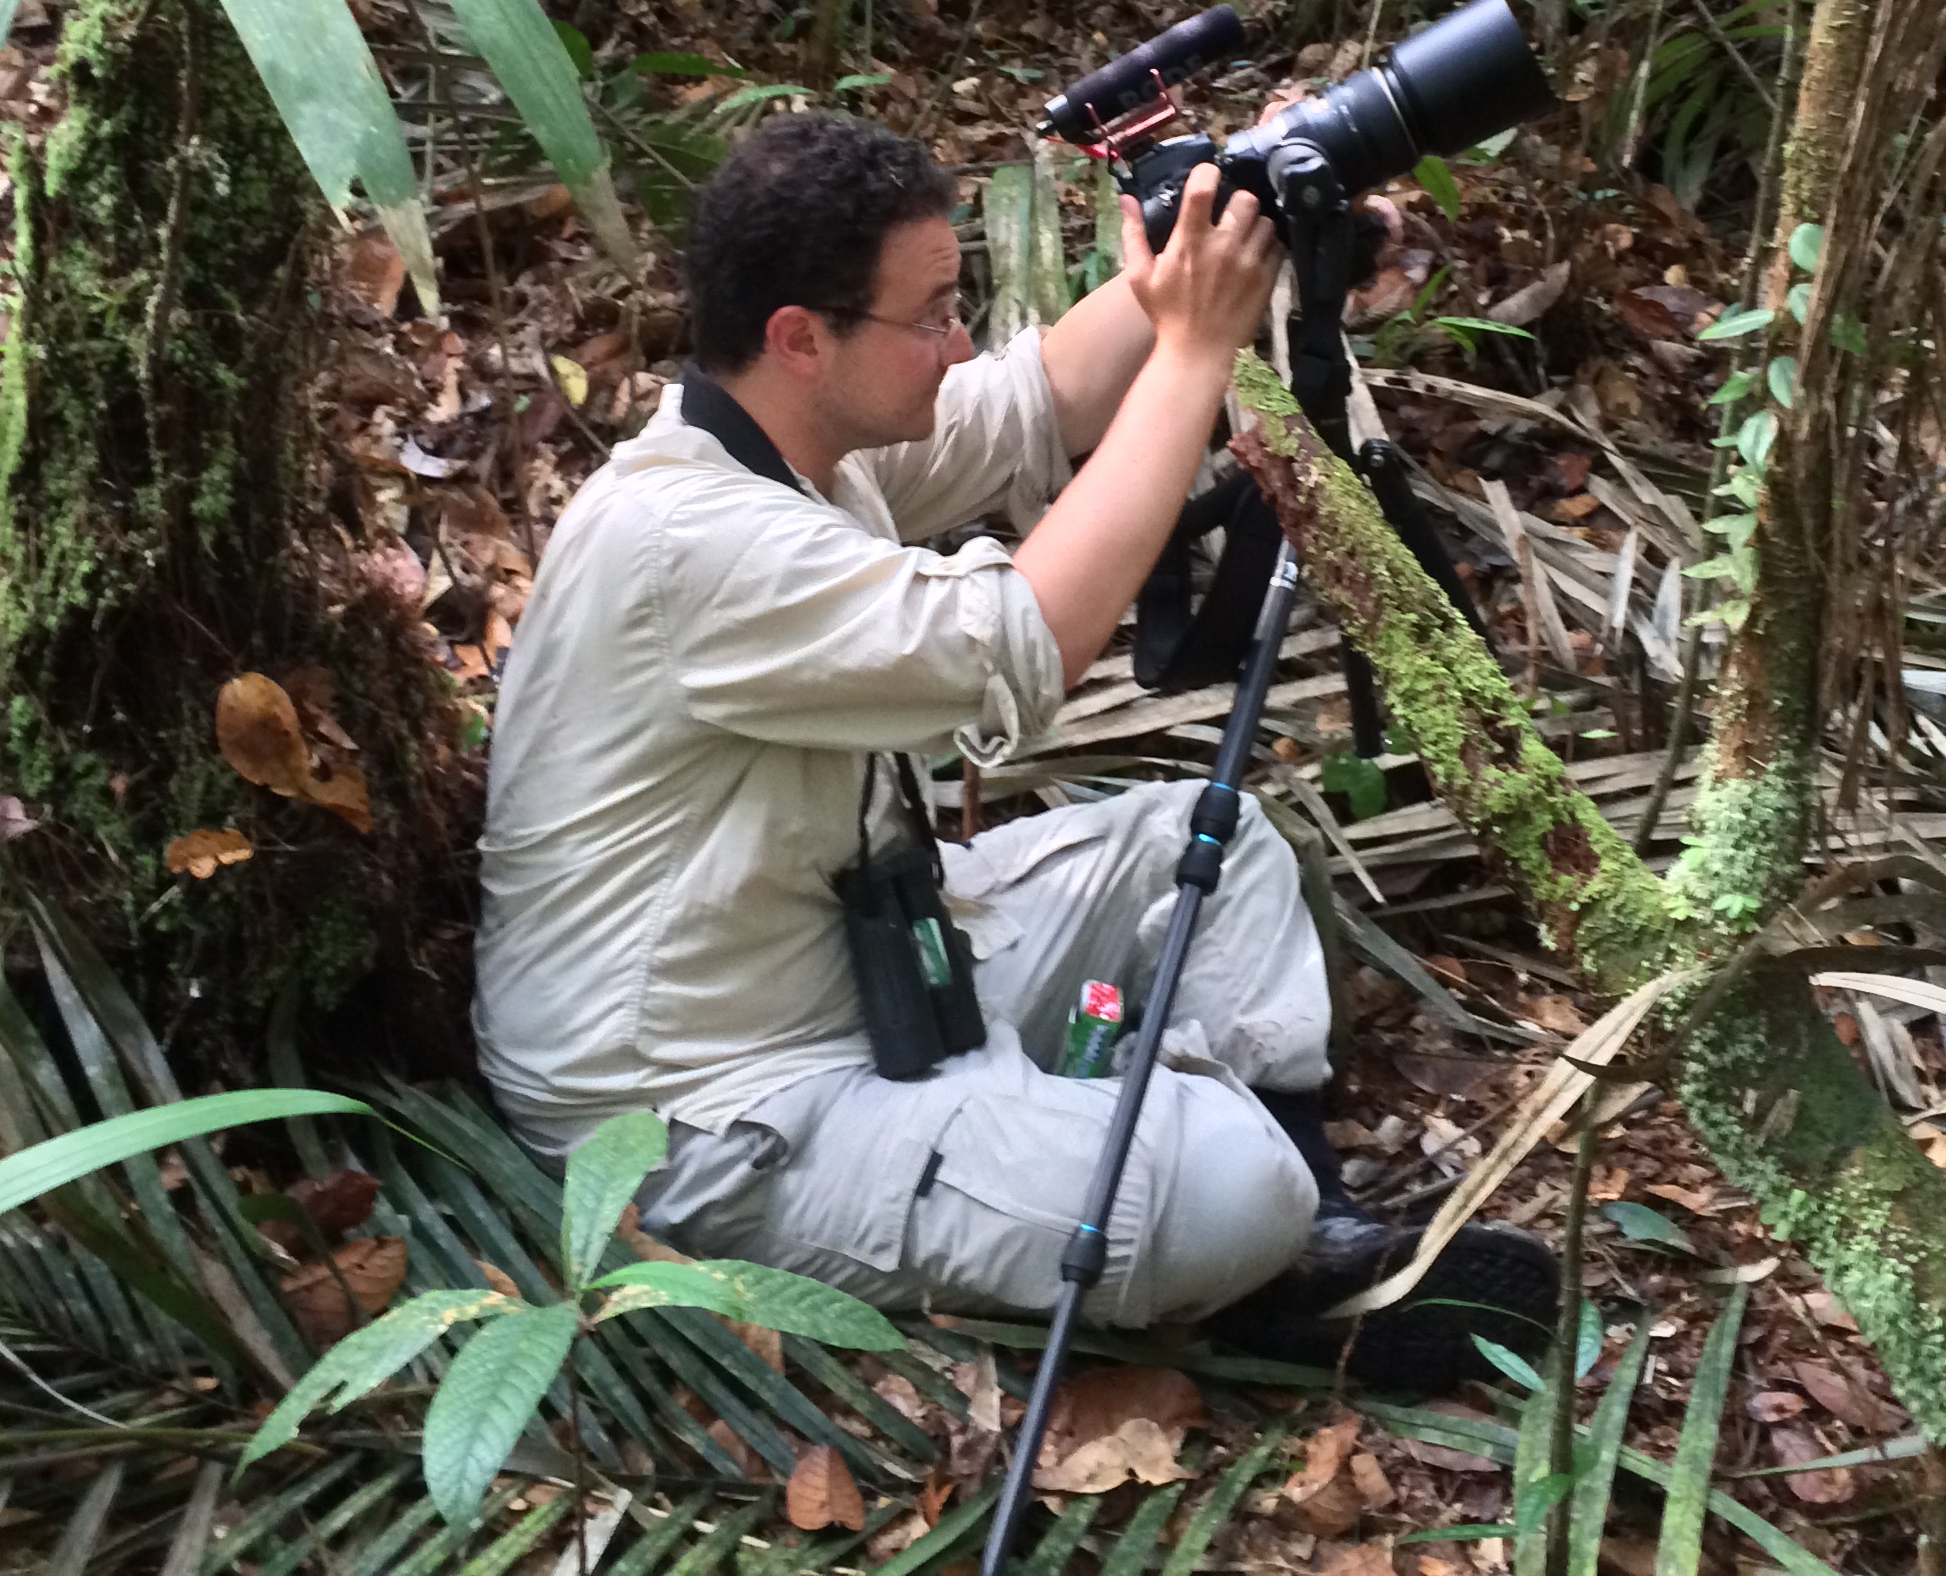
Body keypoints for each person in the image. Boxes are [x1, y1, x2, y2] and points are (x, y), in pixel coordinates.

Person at [472, 111, 1548, 1384]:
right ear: (800, 339)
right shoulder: (690, 541)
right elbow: (1026, 635)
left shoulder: (786, 444)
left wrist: (1217, 227)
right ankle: (1247, 1220)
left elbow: (1039, 391)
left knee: (1207, 846)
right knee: (1222, 1184)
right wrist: (1198, 355)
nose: (958, 339)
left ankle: (1304, 1250)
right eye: (929, 315)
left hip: (844, 971)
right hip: (700, 1111)